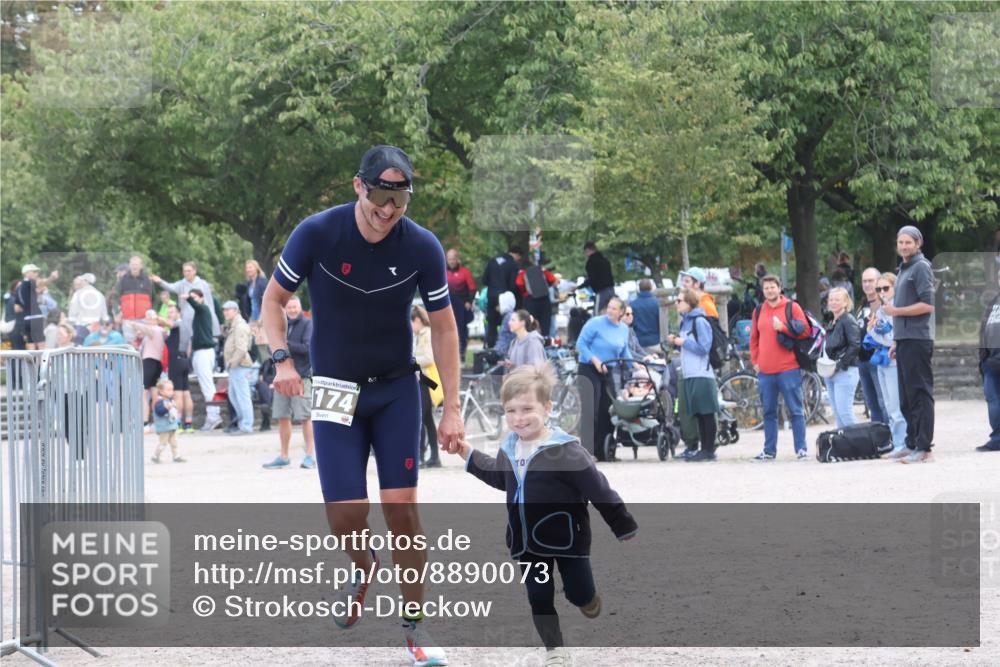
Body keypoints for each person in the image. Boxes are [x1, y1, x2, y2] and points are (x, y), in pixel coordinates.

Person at [263, 144, 460, 665]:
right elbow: (272, 301)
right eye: (379, 196)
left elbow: (443, 328)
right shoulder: (318, 232)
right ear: (359, 186)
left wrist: (453, 408)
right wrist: (283, 360)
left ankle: (415, 629)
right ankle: (362, 561)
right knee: (346, 513)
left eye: (399, 200)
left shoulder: (422, 246)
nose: (388, 210)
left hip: (396, 388)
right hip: (333, 387)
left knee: (403, 511)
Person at [452, 364, 637, 667]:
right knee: (539, 597)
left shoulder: (566, 451)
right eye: (510, 411)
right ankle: (555, 650)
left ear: (548, 408)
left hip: (568, 540)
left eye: (527, 409)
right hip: (526, 540)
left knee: (579, 594)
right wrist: (468, 455)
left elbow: (599, 489)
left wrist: (622, 524)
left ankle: (587, 599)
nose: (518, 418)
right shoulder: (510, 448)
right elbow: (500, 477)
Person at [883, 226, 936, 463]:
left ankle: (924, 448)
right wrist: (896, 339)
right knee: (906, 397)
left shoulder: (921, 267)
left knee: (919, 394)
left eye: (908, 242)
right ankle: (911, 442)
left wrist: (896, 311)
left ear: (918, 244)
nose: (904, 246)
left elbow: (928, 305)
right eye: (901, 242)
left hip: (918, 339)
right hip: (904, 340)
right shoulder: (904, 268)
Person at [749, 275, 810, 460]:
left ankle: (801, 449)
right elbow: (754, 339)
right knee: (768, 411)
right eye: (766, 288)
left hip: (788, 368)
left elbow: (806, 331)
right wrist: (755, 362)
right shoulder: (758, 310)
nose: (769, 290)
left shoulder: (792, 307)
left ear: (779, 288)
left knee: (796, 410)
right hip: (766, 371)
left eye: (772, 287)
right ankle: (769, 451)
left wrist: (783, 327)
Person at [666, 289, 720, 462]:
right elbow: (688, 347)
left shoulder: (699, 321)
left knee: (706, 412)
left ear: (689, 303)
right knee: (697, 412)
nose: (676, 303)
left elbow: (704, 347)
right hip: (689, 373)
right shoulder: (685, 322)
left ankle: (708, 450)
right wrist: (676, 343)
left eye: (679, 301)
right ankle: (703, 449)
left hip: (701, 373)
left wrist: (684, 342)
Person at [575, 296, 632, 460]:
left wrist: (635, 365)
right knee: (590, 409)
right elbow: (581, 344)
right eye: (609, 307)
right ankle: (587, 451)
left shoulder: (623, 329)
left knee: (607, 410)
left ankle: (603, 451)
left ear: (621, 312)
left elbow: (624, 352)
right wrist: (595, 360)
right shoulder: (595, 323)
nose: (610, 310)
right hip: (589, 368)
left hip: (608, 370)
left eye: (614, 308)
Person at [261, 296, 315, 468]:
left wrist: (283, 344)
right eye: (289, 307)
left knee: (305, 417)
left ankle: (310, 455)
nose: (292, 310)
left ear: (300, 307)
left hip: (301, 377)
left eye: (294, 307)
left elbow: (307, 348)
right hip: (282, 377)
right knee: (282, 416)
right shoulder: (281, 324)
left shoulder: (307, 324)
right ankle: (284, 456)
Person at [867, 273, 908, 453]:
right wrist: (872, 329)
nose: (882, 292)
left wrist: (878, 333)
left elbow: (893, 339)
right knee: (888, 405)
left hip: (894, 362)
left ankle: (902, 444)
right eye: (879, 289)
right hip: (882, 362)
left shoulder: (898, 308)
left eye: (885, 288)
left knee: (896, 406)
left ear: (894, 288)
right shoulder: (881, 310)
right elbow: (876, 338)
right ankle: (897, 442)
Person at [152, 261, 223, 353]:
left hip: (201, 319)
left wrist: (212, 319)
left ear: (194, 271)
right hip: (188, 319)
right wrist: (160, 282)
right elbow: (171, 287)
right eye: (185, 271)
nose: (187, 273)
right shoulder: (182, 284)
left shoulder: (203, 284)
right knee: (188, 345)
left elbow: (209, 303)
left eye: (189, 271)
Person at [823, 287, 861, 428]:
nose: (833, 302)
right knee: (838, 414)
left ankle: (861, 443)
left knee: (845, 412)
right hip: (831, 372)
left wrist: (840, 365)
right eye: (831, 299)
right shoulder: (833, 321)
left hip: (846, 371)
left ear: (846, 303)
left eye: (837, 299)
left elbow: (855, 345)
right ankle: (845, 446)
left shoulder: (848, 320)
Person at [184, 288, 222, 431]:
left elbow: (196, 305)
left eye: (195, 297)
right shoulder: (199, 313)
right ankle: (213, 416)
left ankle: (214, 417)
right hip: (199, 352)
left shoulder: (203, 309)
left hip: (204, 352)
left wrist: (188, 298)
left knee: (208, 386)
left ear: (201, 298)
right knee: (206, 385)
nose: (192, 300)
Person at [410, 305, 442, 469]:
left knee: (421, 419)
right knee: (428, 419)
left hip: (426, 382)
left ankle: (421, 456)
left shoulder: (426, 335)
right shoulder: (420, 335)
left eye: (412, 322)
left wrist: (411, 360)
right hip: (424, 381)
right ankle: (435, 457)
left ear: (417, 320)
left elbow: (429, 358)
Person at [855, 267, 887, 424]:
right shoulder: (862, 305)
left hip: (877, 359)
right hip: (862, 360)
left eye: (870, 281)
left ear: (878, 282)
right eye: (864, 281)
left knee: (883, 402)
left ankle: (892, 437)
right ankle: (878, 438)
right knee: (871, 404)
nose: (867, 284)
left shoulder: (883, 304)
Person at [130, 309, 168, 428]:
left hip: (150, 362)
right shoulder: (157, 331)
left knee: (144, 392)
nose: (147, 320)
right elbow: (141, 334)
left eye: (149, 318)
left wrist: (134, 323)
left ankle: (145, 421)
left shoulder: (156, 329)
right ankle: (155, 420)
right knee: (153, 392)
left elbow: (146, 330)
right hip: (155, 363)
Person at [222, 300, 254, 435]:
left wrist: (231, 363)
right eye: (224, 310)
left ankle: (246, 426)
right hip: (236, 366)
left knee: (242, 397)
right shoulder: (234, 325)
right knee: (234, 396)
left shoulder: (240, 326)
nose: (225, 312)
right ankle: (242, 424)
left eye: (228, 309)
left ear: (236, 311)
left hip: (240, 366)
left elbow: (241, 349)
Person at [482, 244, 522, 348]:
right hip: (505, 297)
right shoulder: (513, 264)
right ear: (517, 255)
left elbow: (484, 280)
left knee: (491, 324)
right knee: (508, 323)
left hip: (491, 296)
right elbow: (513, 284)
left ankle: (491, 348)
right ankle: (506, 347)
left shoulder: (492, 261)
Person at [978, 268, 1000, 452]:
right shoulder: (994, 302)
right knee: (993, 401)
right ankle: (997, 438)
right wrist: (983, 357)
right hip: (990, 361)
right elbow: (983, 328)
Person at [163, 303, 194, 433]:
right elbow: (190, 345)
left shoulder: (178, 325)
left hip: (176, 361)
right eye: (168, 313)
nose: (170, 315)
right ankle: (188, 423)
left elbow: (170, 324)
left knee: (178, 393)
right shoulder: (186, 325)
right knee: (186, 392)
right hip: (184, 360)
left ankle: (178, 424)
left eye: (172, 312)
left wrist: (156, 318)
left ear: (178, 313)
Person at [108, 256, 155, 341]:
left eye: (136, 264)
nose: (134, 266)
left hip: (144, 319)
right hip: (128, 320)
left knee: (145, 342)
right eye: (132, 264)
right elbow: (114, 296)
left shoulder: (147, 280)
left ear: (141, 266)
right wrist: (117, 312)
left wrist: (153, 313)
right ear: (129, 266)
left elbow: (154, 298)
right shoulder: (123, 280)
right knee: (129, 344)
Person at [15, 264, 58, 350]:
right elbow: (41, 282)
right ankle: (44, 363)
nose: (36, 274)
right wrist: (51, 277)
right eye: (34, 272)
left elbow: (17, 308)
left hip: (26, 318)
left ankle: (33, 363)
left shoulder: (18, 287)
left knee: (31, 344)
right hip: (35, 317)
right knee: (41, 344)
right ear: (26, 273)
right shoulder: (28, 282)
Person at [445, 248, 477, 359]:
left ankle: (461, 353)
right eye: (449, 259)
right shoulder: (442, 271)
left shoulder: (465, 272)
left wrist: (469, 301)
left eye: (453, 259)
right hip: (447, 306)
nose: (452, 261)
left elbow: (472, 288)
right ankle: (449, 354)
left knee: (461, 330)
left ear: (457, 259)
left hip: (461, 306)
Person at [515, 258, 557, 339]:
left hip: (530, 300)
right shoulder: (542, 270)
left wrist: (524, 292)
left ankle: (531, 342)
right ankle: (546, 343)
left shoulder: (522, 273)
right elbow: (553, 280)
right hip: (544, 299)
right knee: (545, 324)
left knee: (530, 324)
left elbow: (518, 283)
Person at [151, 379, 185, 463]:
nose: (171, 392)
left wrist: (177, 421)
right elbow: (159, 412)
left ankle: (176, 456)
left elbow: (173, 414)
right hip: (164, 427)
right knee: (163, 442)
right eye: (168, 390)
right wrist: (167, 408)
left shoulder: (170, 401)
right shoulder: (159, 402)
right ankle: (156, 455)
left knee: (174, 442)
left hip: (171, 426)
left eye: (172, 390)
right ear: (161, 391)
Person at [580, 241, 615, 313]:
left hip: (601, 291)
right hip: (611, 290)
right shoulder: (605, 260)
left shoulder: (591, 262)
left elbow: (592, 278)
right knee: (611, 312)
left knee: (598, 313)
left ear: (588, 250)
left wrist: (580, 286)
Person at [629, 278, 661, 354]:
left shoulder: (633, 304)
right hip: (655, 342)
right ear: (651, 288)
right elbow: (662, 323)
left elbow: (630, 323)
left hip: (639, 342)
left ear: (639, 288)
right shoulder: (657, 303)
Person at [491, 290, 518, 360]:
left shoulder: (508, 318)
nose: (497, 307)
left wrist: (497, 352)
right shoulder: (511, 316)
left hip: (507, 355)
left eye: (499, 304)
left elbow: (505, 338)